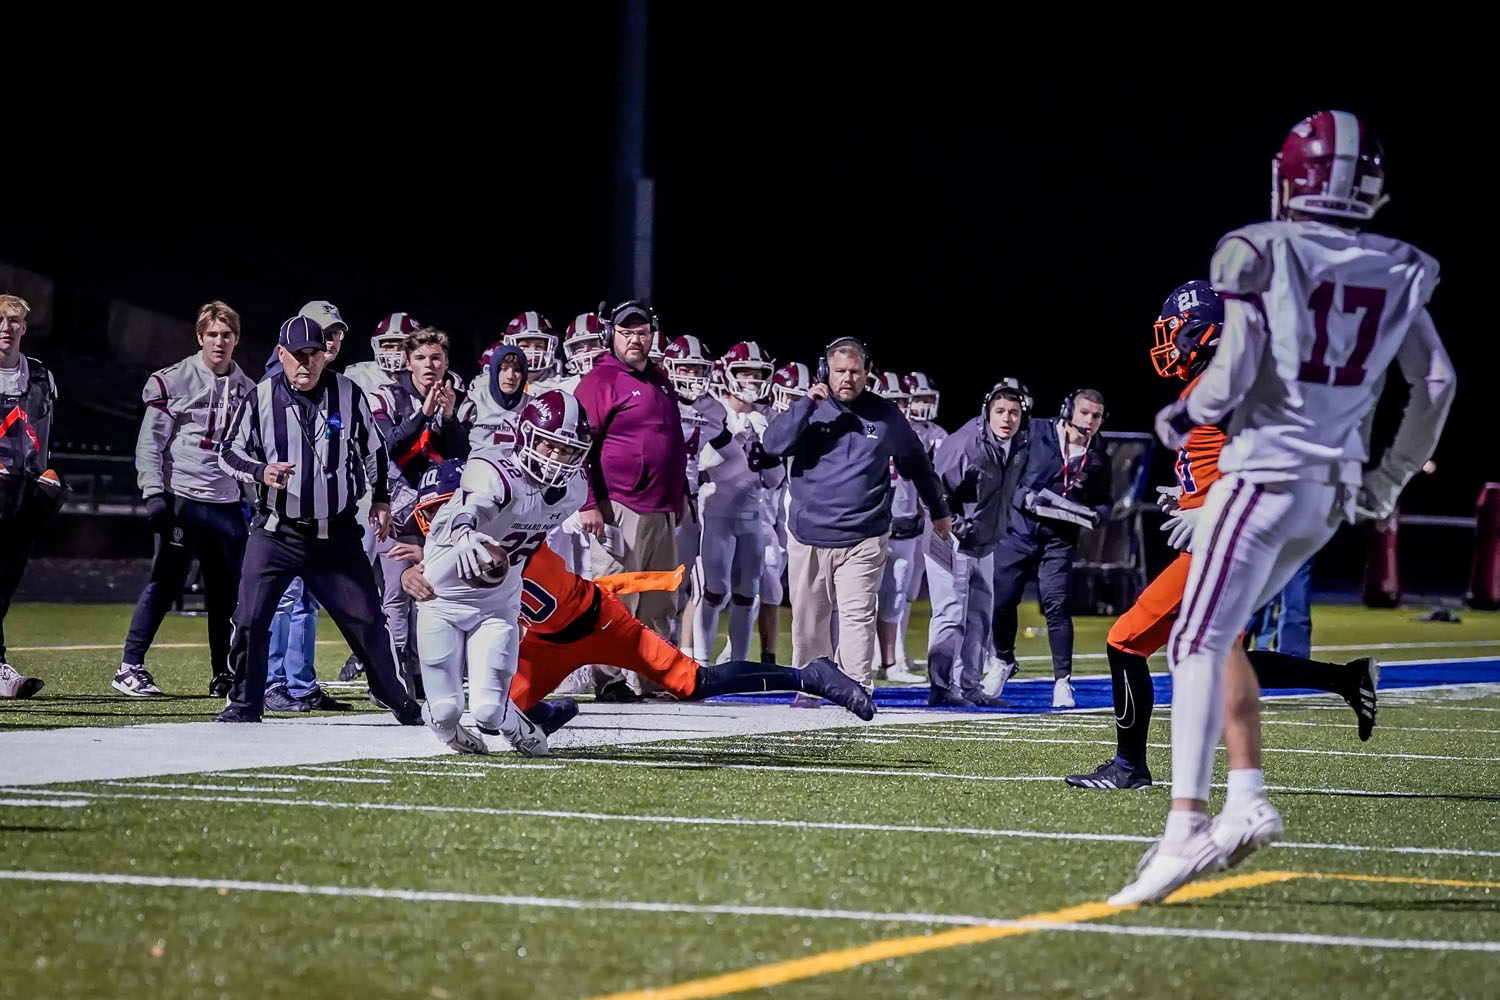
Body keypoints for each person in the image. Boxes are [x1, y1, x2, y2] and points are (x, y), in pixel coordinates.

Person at [1111, 111, 1456, 905]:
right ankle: (1245, 799)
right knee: (1220, 633)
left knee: (1191, 642)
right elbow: (1436, 383)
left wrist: (1182, 415)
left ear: (1291, 178)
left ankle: (1189, 828)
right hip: (1333, 492)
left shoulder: (1258, 250)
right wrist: (1392, 478)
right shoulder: (1401, 266)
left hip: (1265, 471)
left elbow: (1231, 378)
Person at [1066, 282, 1380, 792]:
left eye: (1174, 333)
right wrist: (1186, 495)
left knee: (1124, 641)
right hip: (1223, 543)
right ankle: (1346, 680)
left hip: (1221, 545)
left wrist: (1209, 512)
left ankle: (1128, 766)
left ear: (1200, 332)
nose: (1169, 344)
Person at [394, 457, 876, 745]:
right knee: (496, 714)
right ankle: (548, 712)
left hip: (602, 624)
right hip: (544, 645)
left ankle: (810, 674)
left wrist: (427, 566)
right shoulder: (452, 547)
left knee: (692, 683)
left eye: (448, 510)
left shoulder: (511, 528)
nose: (441, 521)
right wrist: (422, 566)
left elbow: (491, 553)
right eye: (434, 513)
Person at [215, 314, 422, 724]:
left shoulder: (348, 393)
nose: (306, 364)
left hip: (336, 536)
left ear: (325, 355)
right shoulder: (259, 397)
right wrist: (261, 472)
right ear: (281, 355)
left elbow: (374, 451)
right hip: (276, 532)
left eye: (314, 354)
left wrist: (381, 498)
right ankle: (243, 705)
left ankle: (398, 700)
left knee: (367, 621)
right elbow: (227, 452)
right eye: (298, 356)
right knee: (250, 619)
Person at [762, 337, 952, 692]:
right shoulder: (807, 408)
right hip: (809, 533)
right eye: (839, 371)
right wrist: (805, 405)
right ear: (825, 372)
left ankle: (857, 689)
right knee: (808, 622)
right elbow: (772, 446)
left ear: (867, 373)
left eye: (854, 371)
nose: (847, 378)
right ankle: (811, 686)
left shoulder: (885, 414)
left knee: (857, 616)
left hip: (865, 535)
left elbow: (916, 463)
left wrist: (938, 509)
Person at [413, 389, 593, 756]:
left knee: (490, 711)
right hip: (441, 600)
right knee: (446, 711)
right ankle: (444, 729)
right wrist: (464, 531)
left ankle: (518, 726)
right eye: (549, 446)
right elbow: (475, 504)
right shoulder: (493, 470)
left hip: (498, 604)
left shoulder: (574, 490)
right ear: (527, 437)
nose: (559, 458)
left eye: (569, 450)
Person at [115, 300, 256, 699]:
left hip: (227, 501)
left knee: (225, 593)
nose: (219, 341)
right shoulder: (174, 380)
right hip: (183, 498)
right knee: (166, 581)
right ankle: (130, 666)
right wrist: (154, 493)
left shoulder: (249, 390)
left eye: (226, 334)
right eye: (212, 334)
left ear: (236, 339)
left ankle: (222, 674)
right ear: (199, 337)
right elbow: (151, 443)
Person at [574, 300, 689, 700]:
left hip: (662, 505)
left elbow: (670, 443)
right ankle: (610, 680)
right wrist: (589, 502)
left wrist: (680, 494)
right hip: (621, 504)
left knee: (659, 600)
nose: (636, 340)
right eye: (627, 333)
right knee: (616, 596)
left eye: (642, 332)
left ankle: (652, 676)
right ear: (611, 336)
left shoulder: (659, 378)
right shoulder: (600, 380)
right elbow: (577, 446)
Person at [258, 302, 356, 712]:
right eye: (323, 331)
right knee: (283, 598)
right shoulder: (275, 383)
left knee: (305, 599)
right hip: (282, 514)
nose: (331, 339)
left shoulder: (332, 385)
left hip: (319, 515)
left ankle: (300, 683)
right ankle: (272, 682)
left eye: (336, 332)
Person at [989, 388, 1113, 708]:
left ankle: (1062, 682)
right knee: (1002, 599)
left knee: (1057, 605)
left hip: (1059, 538)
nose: (1089, 420)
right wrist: (1022, 497)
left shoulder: (1098, 453)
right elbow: (1007, 473)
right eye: (1084, 412)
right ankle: (1003, 660)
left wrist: (1098, 516)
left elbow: (1104, 501)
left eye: (1096, 416)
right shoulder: (1036, 432)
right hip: (1018, 531)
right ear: (1068, 409)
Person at [925, 380, 1030, 707]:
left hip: (983, 542)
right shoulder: (965, 443)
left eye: (1013, 412)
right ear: (987, 412)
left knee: (980, 620)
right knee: (950, 614)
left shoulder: (1017, 444)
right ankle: (942, 690)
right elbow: (933, 490)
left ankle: (969, 688)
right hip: (949, 539)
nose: (1007, 418)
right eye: (1000, 411)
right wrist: (957, 526)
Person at [691, 341, 782, 665]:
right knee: (713, 591)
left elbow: (773, 481)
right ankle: (700, 663)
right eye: (744, 372)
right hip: (714, 513)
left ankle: (739, 664)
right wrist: (730, 449)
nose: (752, 380)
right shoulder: (712, 411)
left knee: (747, 593)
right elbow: (699, 467)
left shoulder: (767, 419)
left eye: (758, 374)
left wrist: (767, 457)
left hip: (753, 514)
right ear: (727, 374)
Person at [0, 294, 62, 700]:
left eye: (13, 321)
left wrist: (47, 472)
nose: (5, 328)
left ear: (25, 327)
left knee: (8, 577)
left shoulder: (40, 376)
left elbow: (44, 431)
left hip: (27, 488)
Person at [661, 334, 718, 651]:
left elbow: (734, 457)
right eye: (685, 367)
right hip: (655, 500)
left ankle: (675, 650)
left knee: (681, 585)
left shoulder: (714, 410)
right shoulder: (657, 398)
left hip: (692, 503)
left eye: (698, 369)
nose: (692, 376)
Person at [869, 373, 925, 683]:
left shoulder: (909, 435)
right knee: (859, 597)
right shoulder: (866, 430)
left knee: (897, 596)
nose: (897, 407)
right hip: (870, 525)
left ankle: (891, 662)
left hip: (905, 528)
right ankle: (854, 661)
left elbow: (922, 481)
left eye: (902, 401)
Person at [344, 312, 421, 400]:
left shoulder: (426, 376)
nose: (395, 352)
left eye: (402, 347)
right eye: (389, 346)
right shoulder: (354, 376)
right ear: (376, 345)